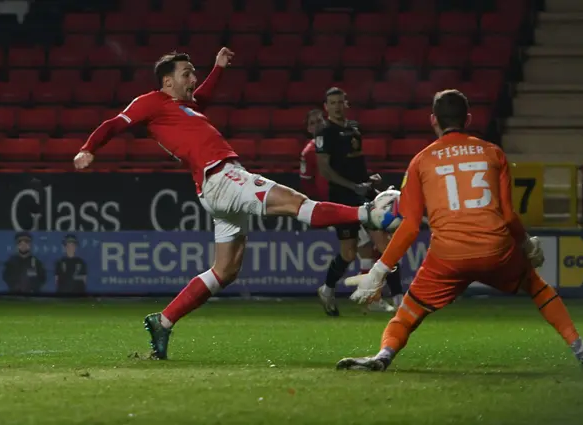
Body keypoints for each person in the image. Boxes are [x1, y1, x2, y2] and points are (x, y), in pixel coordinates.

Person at [74, 48, 384, 360]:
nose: (193, 79)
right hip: (221, 177)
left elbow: (203, 98)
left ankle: (163, 321)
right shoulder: (151, 102)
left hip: (217, 186)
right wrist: (89, 148)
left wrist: (218, 68)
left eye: (195, 73)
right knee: (296, 204)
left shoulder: (185, 106)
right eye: (187, 73)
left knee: (225, 270)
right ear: (167, 81)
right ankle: (368, 213)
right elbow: (114, 123)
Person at [337, 89, 583, 371]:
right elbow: (508, 215)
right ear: (467, 119)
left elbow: (409, 225)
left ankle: (383, 356)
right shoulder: (492, 152)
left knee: (408, 313)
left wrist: (379, 271)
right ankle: (581, 350)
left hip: (448, 256)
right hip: (496, 248)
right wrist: (527, 245)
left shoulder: (421, 161)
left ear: (433, 120)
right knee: (538, 289)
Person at [313, 87, 385, 316]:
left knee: (384, 243)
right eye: (332, 103)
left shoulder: (354, 128)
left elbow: (356, 163)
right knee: (348, 253)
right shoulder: (324, 131)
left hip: (363, 192)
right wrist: (353, 186)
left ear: (347, 104)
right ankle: (327, 289)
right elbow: (325, 169)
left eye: (340, 102)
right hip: (343, 197)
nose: (336, 106)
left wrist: (368, 178)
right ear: (326, 107)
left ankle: (383, 298)